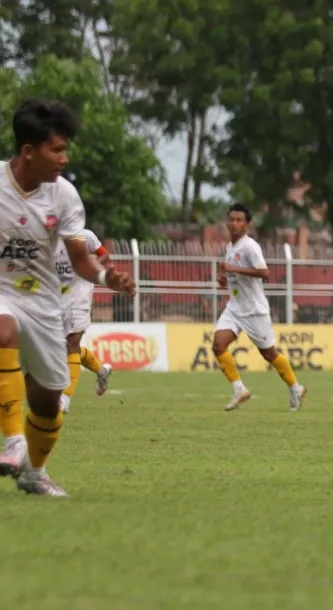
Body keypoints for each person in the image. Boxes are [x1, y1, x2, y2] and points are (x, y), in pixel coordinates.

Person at [0, 98, 135, 496]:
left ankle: (34, 473)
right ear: (29, 151)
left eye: (65, 148)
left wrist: (106, 276)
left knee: (47, 401)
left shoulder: (64, 196)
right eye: (56, 149)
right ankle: (13, 440)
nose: (64, 158)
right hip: (2, 291)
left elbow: (80, 260)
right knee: (2, 330)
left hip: (44, 303)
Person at [212, 203, 306, 412]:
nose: (234, 224)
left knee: (269, 354)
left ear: (247, 224)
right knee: (218, 345)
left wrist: (232, 268)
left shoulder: (250, 246)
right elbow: (235, 274)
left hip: (254, 310)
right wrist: (224, 279)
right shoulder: (230, 248)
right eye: (231, 219)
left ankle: (296, 388)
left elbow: (264, 273)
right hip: (235, 307)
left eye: (239, 220)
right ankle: (239, 390)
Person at [55, 228, 114, 414]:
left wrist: (88, 266)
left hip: (81, 296)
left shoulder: (85, 236)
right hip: (59, 298)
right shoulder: (47, 240)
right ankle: (101, 371)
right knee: (66, 348)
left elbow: (105, 255)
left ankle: (65, 399)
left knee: (72, 343)